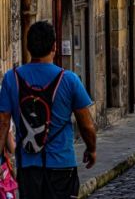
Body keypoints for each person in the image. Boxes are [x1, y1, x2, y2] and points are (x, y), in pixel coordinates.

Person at [0, 21, 96, 199]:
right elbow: (87, 125)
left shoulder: (11, 79)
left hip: (28, 166)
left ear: (28, 47)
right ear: (54, 46)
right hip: (61, 165)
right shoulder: (69, 79)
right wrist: (91, 149)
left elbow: (3, 123)